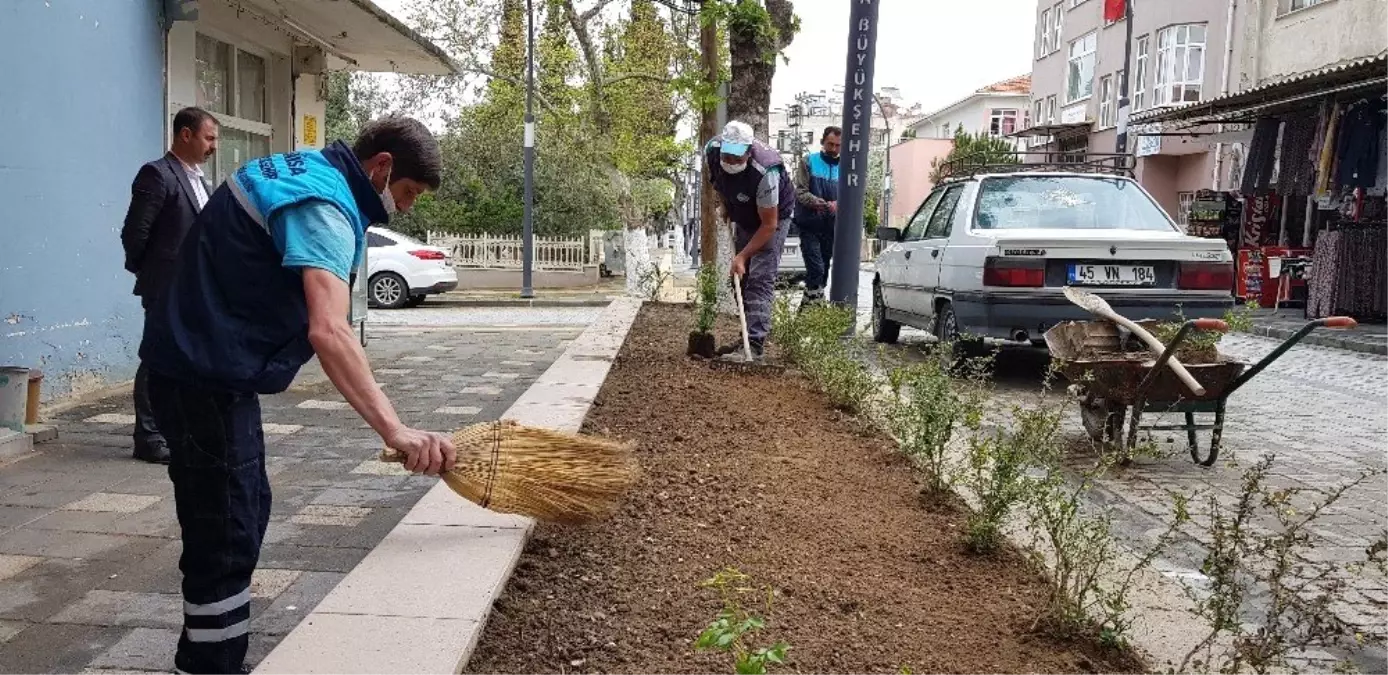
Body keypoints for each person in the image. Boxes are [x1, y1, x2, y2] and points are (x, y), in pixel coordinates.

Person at [139, 117, 457, 675]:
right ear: (382, 166)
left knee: (242, 509)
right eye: (407, 193)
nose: (405, 209)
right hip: (203, 375)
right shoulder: (324, 205)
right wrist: (395, 429)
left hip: (202, 364)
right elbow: (329, 329)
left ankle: (207, 656)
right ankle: (210, 665)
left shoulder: (301, 169)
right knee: (227, 529)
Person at [119, 107, 220, 464]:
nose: (214, 147)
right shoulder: (156, 174)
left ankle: (177, 427)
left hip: (196, 289)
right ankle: (147, 437)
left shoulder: (199, 179)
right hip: (166, 288)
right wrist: (151, 275)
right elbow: (135, 233)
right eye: (209, 138)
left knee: (184, 359)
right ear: (186, 135)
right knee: (157, 358)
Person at [704, 120, 794, 361]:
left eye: (737, 158)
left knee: (760, 278)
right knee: (739, 278)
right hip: (744, 214)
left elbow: (769, 225)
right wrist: (725, 204)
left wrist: (743, 256)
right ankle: (745, 335)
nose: (731, 162)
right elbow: (718, 182)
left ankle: (755, 345)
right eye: (728, 156)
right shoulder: (711, 151)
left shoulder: (766, 171)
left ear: (748, 150)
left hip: (772, 219)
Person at [793, 126, 841, 305]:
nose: (834, 149)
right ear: (822, 142)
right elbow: (800, 191)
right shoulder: (808, 162)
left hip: (831, 227)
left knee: (824, 272)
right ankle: (817, 311)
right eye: (830, 144)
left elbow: (853, 195)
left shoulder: (846, 167)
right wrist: (818, 202)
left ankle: (806, 313)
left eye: (838, 145)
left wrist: (839, 204)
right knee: (816, 269)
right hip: (810, 225)